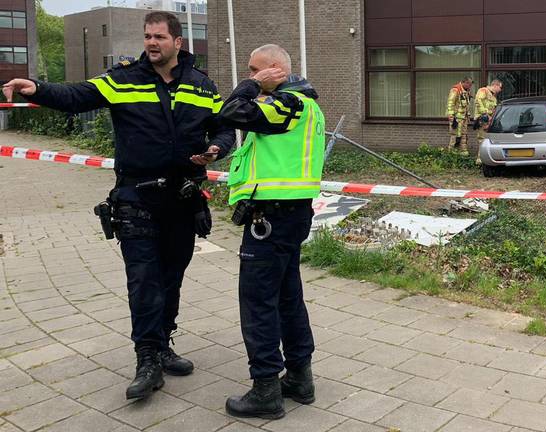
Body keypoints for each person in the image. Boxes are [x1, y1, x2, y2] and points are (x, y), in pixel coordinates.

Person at [3, 11, 235, 401]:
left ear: (178, 42)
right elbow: (77, 96)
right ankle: (147, 360)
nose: (152, 43)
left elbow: (223, 126)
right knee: (143, 280)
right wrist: (37, 88)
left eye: (159, 37)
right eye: (147, 36)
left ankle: (162, 344)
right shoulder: (123, 79)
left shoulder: (202, 85)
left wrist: (216, 148)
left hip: (183, 200)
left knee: (171, 278)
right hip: (136, 199)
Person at [216, 44, 324, 420]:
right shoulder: (301, 104)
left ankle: (265, 389)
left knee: (258, 302)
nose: (251, 75)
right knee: (287, 297)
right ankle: (299, 378)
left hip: (272, 217)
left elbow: (230, 111)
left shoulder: (288, 103)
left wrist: (251, 85)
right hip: (288, 214)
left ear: (275, 69)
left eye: (256, 69)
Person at [473, 79, 503, 165]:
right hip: (483, 119)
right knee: (482, 140)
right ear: (495, 85)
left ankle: (485, 159)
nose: (500, 90)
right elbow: (478, 102)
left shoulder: (493, 97)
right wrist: (485, 114)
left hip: (489, 121)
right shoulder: (483, 91)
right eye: (500, 87)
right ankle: (480, 161)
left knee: (487, 140)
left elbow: (493, 110)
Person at [446, 76, 473, 155]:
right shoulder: (456, 90)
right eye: (469, 85)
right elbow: (450, 103)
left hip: (464, 118)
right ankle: (452, 154)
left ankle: (463, 152)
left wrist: (468, 115)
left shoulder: (466, 91)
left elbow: (466, 105)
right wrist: (451, 116)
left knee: (464, 135)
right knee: (455, 136)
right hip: (456, 119)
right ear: (465, 83)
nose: (470, 87)